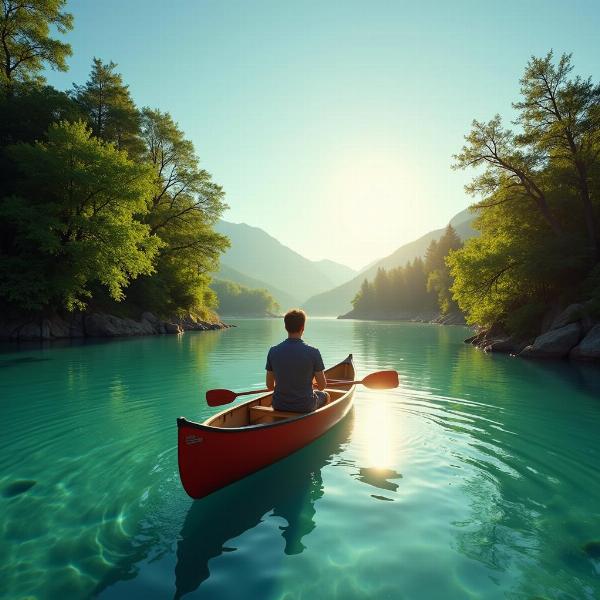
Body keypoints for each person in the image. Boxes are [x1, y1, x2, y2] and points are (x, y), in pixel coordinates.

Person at [265, 309, 329, 413]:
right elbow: (322, 386)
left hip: (279, 405)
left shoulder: (273, 351)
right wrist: (311, 383)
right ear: (303, 327)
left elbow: (269, 386)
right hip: (305, 406)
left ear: (286, 327)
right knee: (325, 395)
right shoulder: (313, 352)